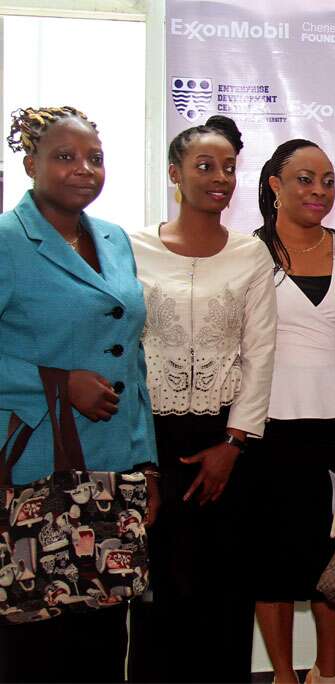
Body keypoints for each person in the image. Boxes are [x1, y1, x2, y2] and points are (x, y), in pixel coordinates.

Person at [0, 106, 158, 683]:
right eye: (64, 157)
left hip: (116, 467)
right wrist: (58, 382)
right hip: (36, 468)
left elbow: (131, 357)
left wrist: (147, 462)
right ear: (30, 163)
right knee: (38, 635)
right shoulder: (7, 240)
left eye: (94, 158)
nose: (83, 169)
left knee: (102, 632)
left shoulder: (113, 238)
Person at [128, 115, 277, 683]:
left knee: (224, 589)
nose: (220, 178)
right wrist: (140, 456)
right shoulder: (133, 248)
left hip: (228, 443)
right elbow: (126, 350)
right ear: (174, 173)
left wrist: (233, 443)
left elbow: (260, 353)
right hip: (152, 442)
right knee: (157, 588)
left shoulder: (251, 255)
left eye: (229, 168)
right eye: (204, 166)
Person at [252, 139, 335, 684]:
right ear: (275, 185)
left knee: (334, 564)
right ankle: (280, 674)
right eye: (305, 179)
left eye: (327, 179)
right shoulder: (248, 254)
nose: (319, 190)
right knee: (271, 563)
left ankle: (327, 673)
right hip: (265, 428)